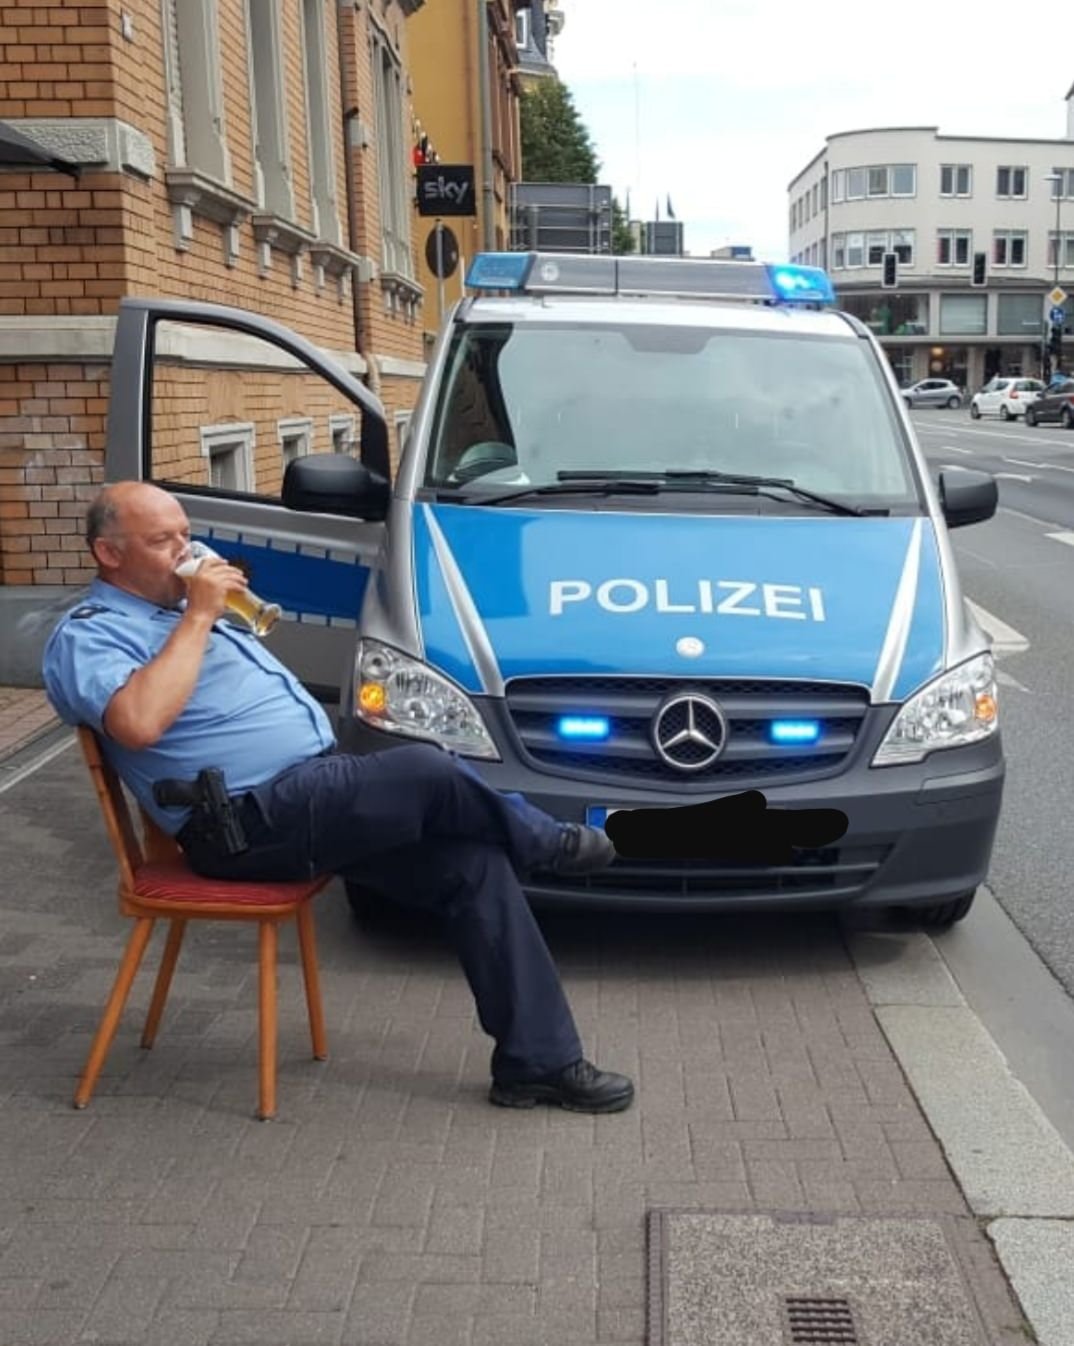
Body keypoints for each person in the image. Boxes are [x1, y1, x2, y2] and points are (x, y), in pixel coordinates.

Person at [42, 482, 634, 1114]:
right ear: (108, 553)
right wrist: (197, 617)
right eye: (162, 541)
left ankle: (535, 1065)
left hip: (308, 798)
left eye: (185, 533)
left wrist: (206, 606)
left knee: (472, 865)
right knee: (426, 769)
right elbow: (136, 723)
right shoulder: (91, 634)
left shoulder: (179, 606)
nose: (184, 550)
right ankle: (546, 842)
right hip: (243, 824)